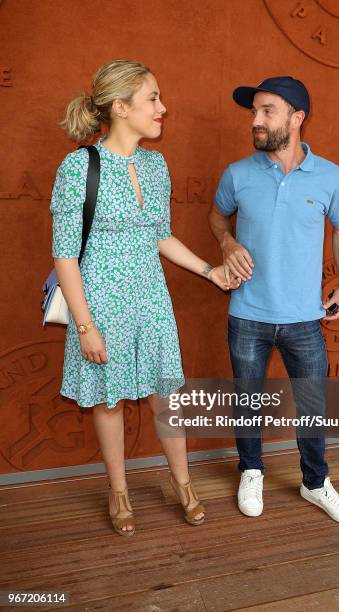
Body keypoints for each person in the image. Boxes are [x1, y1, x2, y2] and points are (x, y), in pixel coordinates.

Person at [50, 59, 238, 536]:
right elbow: (65, 256)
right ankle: (119, 491)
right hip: (100, 306)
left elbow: (160, 235)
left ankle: (183, 485)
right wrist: (86, 325)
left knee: (167, 397)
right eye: (153, 98)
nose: (163, 107)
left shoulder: (155, 164)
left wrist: (210, 271)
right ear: (120, 107)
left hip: (152, 301)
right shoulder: (79, 166)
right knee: (109, 403)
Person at [209, 76, 339, 526]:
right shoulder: (238, 173)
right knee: (247, 401)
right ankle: (251, 470)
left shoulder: (331, 175)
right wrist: (227, 244)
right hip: (248, 316)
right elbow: (217, 217)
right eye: (254, 112)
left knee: (313, 406)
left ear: (297, 118)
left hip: (303, 319)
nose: (255, 121)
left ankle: (315, 482)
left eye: (266, 111)